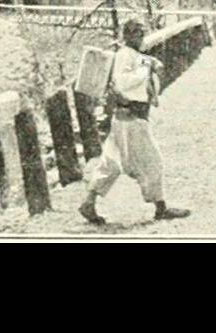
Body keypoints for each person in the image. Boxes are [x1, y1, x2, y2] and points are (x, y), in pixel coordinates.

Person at [79, 19, 190, 225]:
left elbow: (139, 66)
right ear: (128, 36)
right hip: (131, 117)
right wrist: (147, 69)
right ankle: (160, 208)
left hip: (125, 118)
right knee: (152, 161)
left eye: (142, 34)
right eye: (137, 34)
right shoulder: (124, 56)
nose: (141, 38)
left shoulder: (134, 56)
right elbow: (123, 82)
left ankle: (88, 202)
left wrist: (148, 63)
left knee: (111, 162)